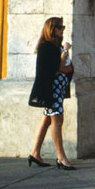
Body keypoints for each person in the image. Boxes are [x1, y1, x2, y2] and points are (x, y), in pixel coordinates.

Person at [27, 17, 76, 170]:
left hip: (56, 90)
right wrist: (66, 50)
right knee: (57, 120)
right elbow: (62, 67)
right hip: (51, 90)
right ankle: (61, 157)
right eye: (60, 27)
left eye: (63, 27)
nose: (62, 30)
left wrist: (64, 54)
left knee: (48, 120)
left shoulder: (53, 46)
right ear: (52, 29)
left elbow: (65, 67)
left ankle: (35, 153)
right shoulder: (48, 47)